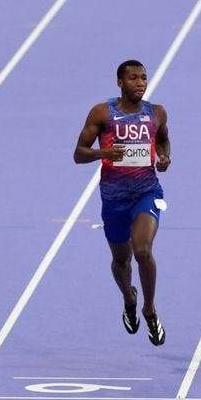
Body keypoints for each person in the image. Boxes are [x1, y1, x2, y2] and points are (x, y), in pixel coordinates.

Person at [73, 59, 171, 346]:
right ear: (120, 82)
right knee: (121, 260)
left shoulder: (157, 113)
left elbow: (163, 140)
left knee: (142, 250)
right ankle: (129, 298)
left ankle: (150, 309)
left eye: (143, 78)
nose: (140, 83)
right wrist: (103, 153)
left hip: (147, 193)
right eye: (133, 78)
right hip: (114, 198)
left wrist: (165, 158)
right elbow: (78, 153)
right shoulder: (103, 112)